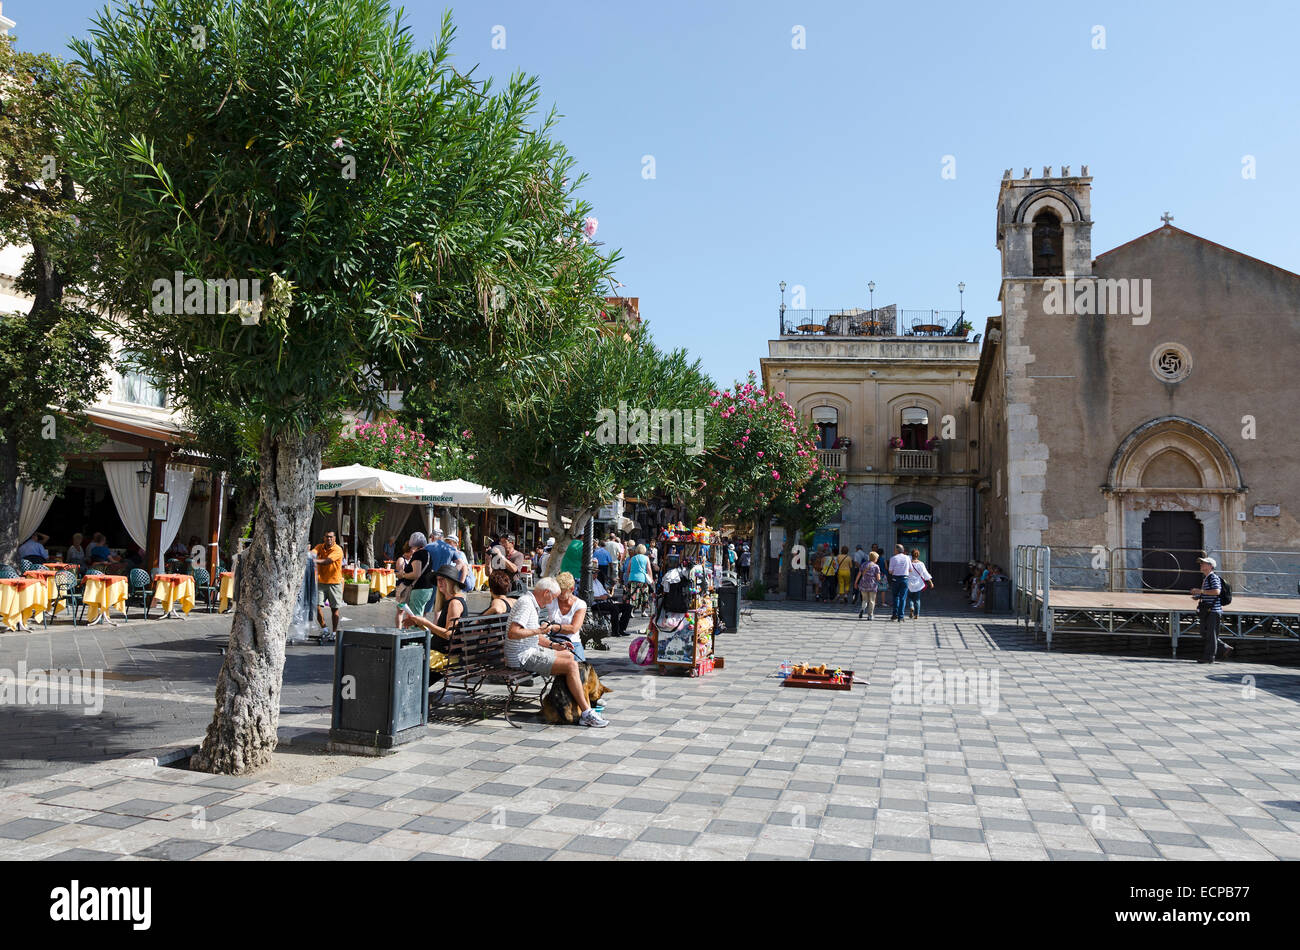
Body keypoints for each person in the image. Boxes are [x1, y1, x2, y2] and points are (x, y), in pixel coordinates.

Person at [506, 577, 608, 727]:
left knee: (569, 655)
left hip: (530, 650)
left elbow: (535, 636)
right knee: (571, 666)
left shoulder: (531, 603)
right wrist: (539, 630)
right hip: (522, 656)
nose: (551, 602)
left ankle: (568, 702)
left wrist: (554, 645)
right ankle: (587, 713)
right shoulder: (526, 604)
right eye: (552, 597)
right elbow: (513, 633)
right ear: (546, 592)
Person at [402, 563, 466, 652]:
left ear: (451, 582)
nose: (439, 582)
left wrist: (426, 622)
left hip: (442, 655)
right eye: (438, 580)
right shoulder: (450, 600)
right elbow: (440, 631)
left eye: (443, 579)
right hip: (439, 649)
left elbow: (448, 634)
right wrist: (418, 623)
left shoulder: (454, 603)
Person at [1191, 556, 1228, 663]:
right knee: (1205, 632)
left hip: (1213, 611)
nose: (1201, 565)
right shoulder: (1206, 578)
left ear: (1210, 566)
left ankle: (1209, 657)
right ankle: (1223, 647)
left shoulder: (1213, 577)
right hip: (1208, 610)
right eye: (1201, 563)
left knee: (1210, 633)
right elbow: (1209, 593)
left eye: (1204, 563)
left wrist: (1200, 591)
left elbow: (1217, 592)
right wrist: (1199, 596)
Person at [547, 572, 589, 661]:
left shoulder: (580, 604)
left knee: (580, 668)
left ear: (572, 589)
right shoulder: (551, 600)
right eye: (557, 591)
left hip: (572, 642)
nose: (558, 595)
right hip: (552, 641)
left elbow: (574, 629)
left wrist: (553, 627)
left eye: (562, 593)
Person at [589, 557, 634, 637]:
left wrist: (607, 595)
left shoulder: (598, 582)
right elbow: (587, 598)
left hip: (605, 601)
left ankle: (621, 629)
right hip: (596, 603)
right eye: (594, 573)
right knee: (614, 608)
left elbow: (605, 593)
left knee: (628, 607)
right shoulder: (587, 583)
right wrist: (600, 598)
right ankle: (615, 631)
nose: (596, 575)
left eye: (596, 573)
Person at [398, 531, 433, 626]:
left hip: (419, 589)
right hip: (428, 588)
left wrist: (403, 575)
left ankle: (415, 639)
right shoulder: (427, 553)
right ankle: (420, 636)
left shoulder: (418, 554)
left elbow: (416, 574)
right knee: (420, 614)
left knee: (415, 617)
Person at [312, 530, 344, 635]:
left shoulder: (338, 550)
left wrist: (313, 561)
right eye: (327, 537)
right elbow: (313, 553)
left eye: (331, 537)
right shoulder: (319, 547)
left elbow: (327, 561)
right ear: (324, 538)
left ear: (335, 538)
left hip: (334, 583)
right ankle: (324, 628)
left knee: (334, 610)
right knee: (316, 606)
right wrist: (308, 554)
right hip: (321, 582)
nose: (329, 539)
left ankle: (334, 632)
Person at [625, 543, 654, 616]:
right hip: (642, 579)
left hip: (632, 579)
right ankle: (643, 611)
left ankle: (631, 611)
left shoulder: (632, 558)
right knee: (644, 595)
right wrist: (651, 579)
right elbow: (649, 569)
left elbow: (628, 570)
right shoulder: (646, 558)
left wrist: (629, 577)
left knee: (632, 596)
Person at [905, 549, 934, 619]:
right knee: (917, 599)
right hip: (918, 584)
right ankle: (916, 614)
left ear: (911, 555)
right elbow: (925, 573)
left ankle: (911, 607)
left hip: (909, 583)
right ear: (918, 555)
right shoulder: (921, 564)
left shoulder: (908, 563)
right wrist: (930, 582)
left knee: (910, 598)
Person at [393, 540, 416, 625]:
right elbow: (398, 575)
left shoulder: (412, 559)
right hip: (402, 587)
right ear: (409, 550)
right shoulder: (401, 559)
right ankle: (398, 630)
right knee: (401, 610)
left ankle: (406, 628)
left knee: (409, 611)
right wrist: (406, 574)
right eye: (413, 549)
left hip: (410, 587)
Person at [887, 544, 911, 621]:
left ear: (897, 550)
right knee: (903, 598)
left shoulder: (893, 558)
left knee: (895, 597)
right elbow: (910, 569)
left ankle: (895, 614)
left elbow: (890, 571)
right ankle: (901, 616)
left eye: (895, 549)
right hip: (905, 579)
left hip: (895, 579)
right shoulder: (907, 558)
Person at [857, 550, 881, 620]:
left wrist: (856, 582)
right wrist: (879, 580)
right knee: (872, 601)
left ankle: (862, 609)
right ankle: (870, 615)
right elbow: (878, 578)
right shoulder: (876, 566)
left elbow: (859, 574)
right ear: (875, 558)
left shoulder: (863, 564)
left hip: (863, 583)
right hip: (872, 585)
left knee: (864, 599)